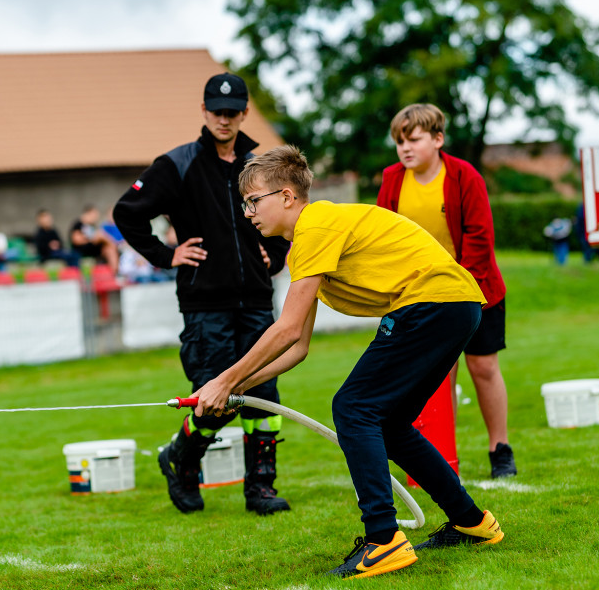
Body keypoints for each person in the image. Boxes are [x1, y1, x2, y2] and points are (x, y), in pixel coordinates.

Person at [195, 145, 505, 579]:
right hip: (454, 304)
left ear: (286, 196)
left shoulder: (315, 227)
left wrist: (222, 380)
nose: (248, 213)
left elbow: (284, 329)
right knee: (389, 425)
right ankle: (473, 523)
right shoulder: (309, 242)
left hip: (434, 303)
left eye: (253, 201)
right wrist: (237, 388)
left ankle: (384, 540)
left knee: (354, 408)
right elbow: (298, 347)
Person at [114, 72, 292, 516]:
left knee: (263, 394)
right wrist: (165, 254)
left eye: (233, 113)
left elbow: (288, 213)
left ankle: (261, 489)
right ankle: (182, 462)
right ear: (204, 111)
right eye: (217, 112)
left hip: (255, 297)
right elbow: (127, 212)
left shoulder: (261, 165)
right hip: (204, 303)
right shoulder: (178, 164)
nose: (225, 120)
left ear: (245, 113)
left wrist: (276, 254)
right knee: (215, 397)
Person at [376, 104, 516, 479]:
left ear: (438, 139)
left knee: (483, 367)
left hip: (477, 289)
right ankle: (440, 457)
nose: (405, 148)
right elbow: (383, 237)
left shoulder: (463, 175)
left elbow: (480, 238)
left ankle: (500, 449)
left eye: (414, 139)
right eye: (399, 142)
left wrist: (460, 293)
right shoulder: (392, 179)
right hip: (421, 296)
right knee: (438, 376)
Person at [70, 204, 119, 274]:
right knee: (102, 237)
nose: (96, 217)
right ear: (88, 213)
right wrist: (91, 239)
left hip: (95, 250)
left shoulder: (92, 226)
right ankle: (113, 244)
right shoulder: (78, 224)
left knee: (109, 249)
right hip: (83, 250)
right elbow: (76, 240)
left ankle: (115, 272)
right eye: (94, 215)